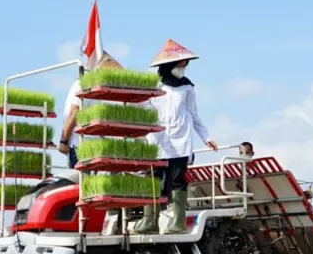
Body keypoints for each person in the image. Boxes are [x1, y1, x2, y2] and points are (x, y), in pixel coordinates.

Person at [134, 39, 218, 235]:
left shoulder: (187, 87)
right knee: (153, 179)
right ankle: (150, 222)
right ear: (168, 65)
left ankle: (177, 223)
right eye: (180, 64)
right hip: (157, 140)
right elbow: (142, 108)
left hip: (181, 140)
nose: (183, 68)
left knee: (178, 180)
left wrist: (206, 137)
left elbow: (194, 114)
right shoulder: (153, 86)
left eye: (185, 64)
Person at [58, 52, 124, 168]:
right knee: (83, 182)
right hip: (80, 145)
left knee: (87, 183)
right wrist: (63, 142)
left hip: (92, 147)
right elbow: (74, 113)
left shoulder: (98, 90)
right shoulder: (83, 85)